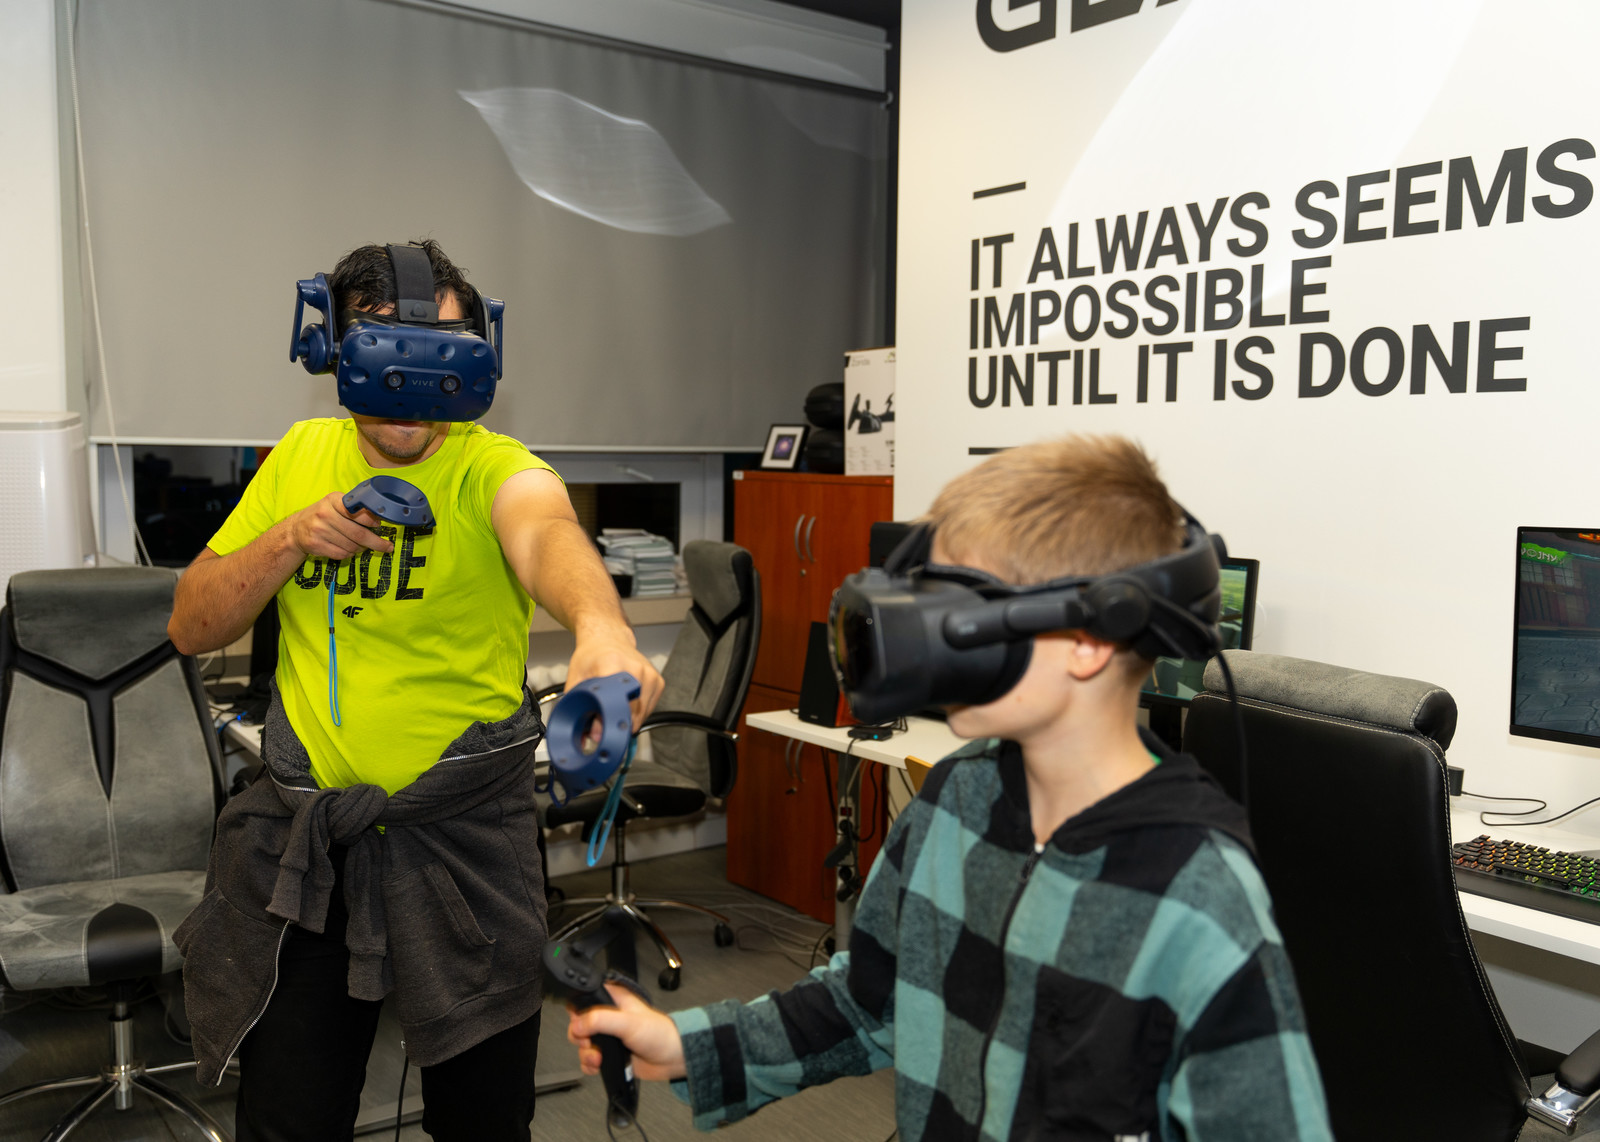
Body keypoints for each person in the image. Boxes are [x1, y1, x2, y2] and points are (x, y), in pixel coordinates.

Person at [567, 435, 1333, 1140]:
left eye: (963, 605)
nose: (923, 636)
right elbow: (865, 1002)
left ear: (1089, 637)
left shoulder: (1196, 893)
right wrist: (686, 1046)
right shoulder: (957, 799)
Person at [168, 239, 663, 1142]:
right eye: (387, 348)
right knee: (287, 1120)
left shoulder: (492, 465)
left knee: (483, 1124)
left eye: (441, 351)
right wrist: (290, 539)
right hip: (315, 850)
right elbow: (191, 625)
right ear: (332, 349)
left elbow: (545, 532)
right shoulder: (301, 454)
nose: (414, 381)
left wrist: (604, 630)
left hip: (466, 849)